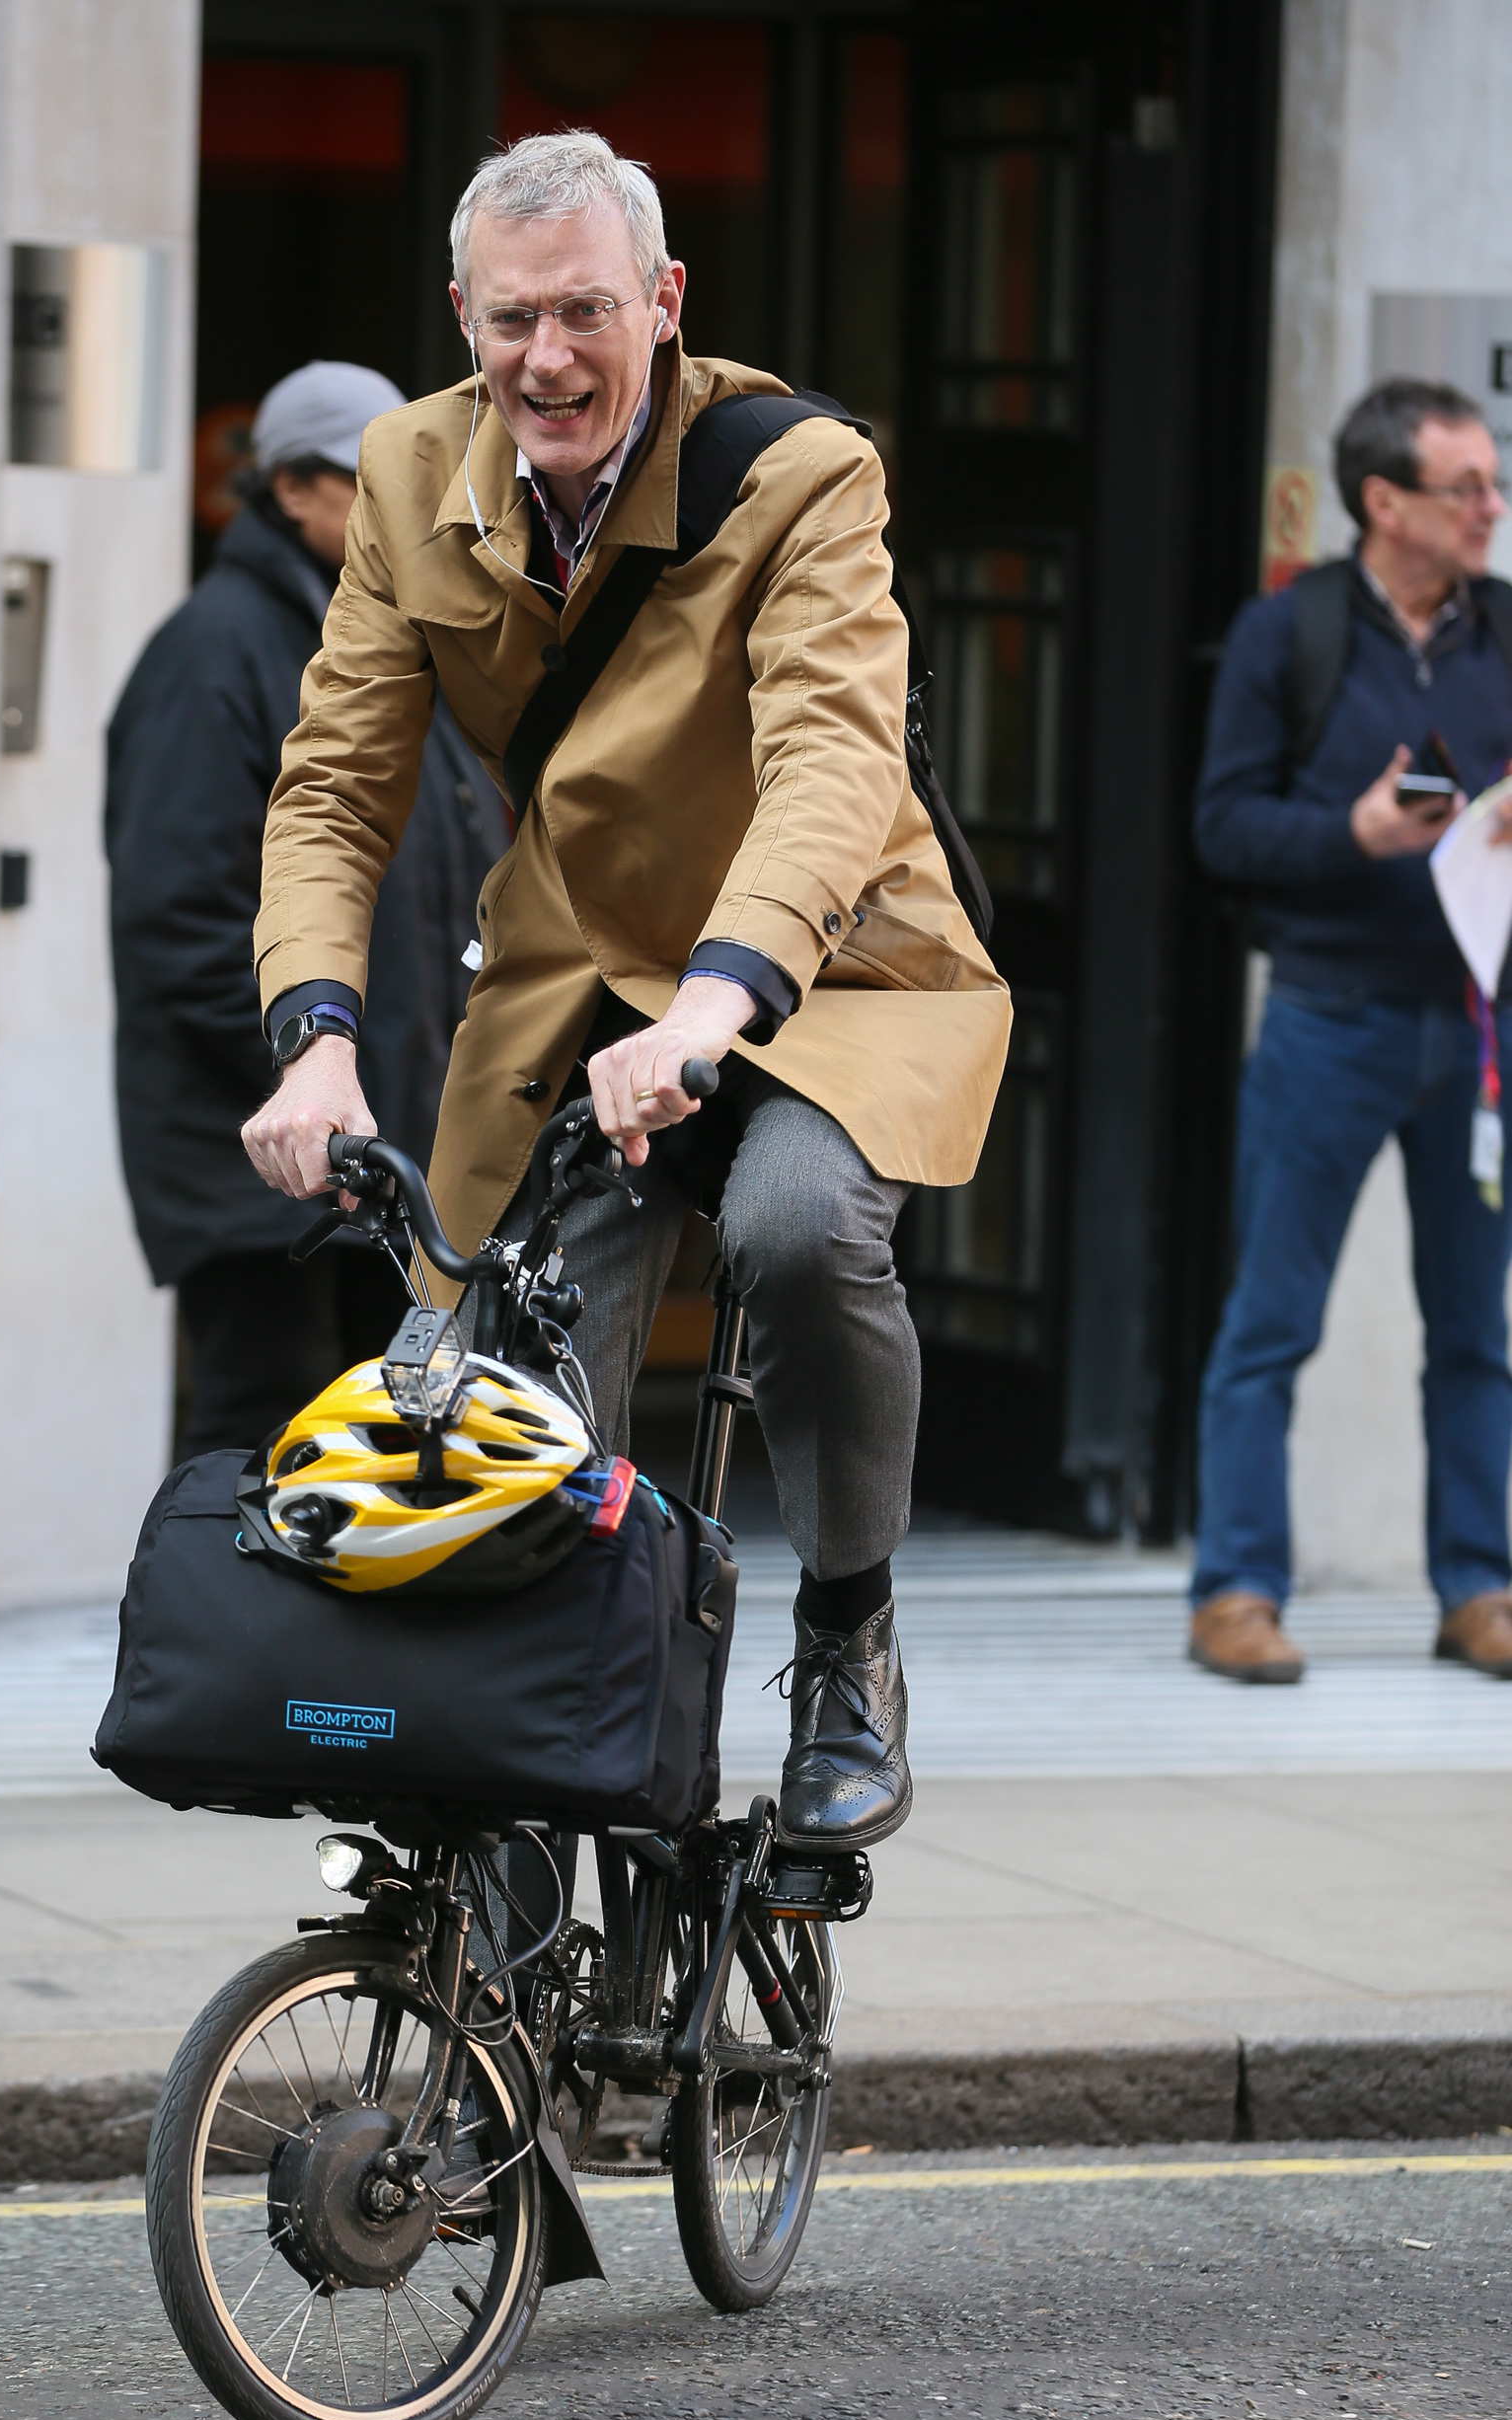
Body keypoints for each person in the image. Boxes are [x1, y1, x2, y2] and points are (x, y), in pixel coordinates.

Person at [241, 131, 1009, 1849]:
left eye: (587, 310)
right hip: (582, 979)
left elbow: (828, 766)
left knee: (800, 1229)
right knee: (473, 1370)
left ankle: (847, 1645)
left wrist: (715, 1006)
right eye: (511, 320)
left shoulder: (801, 474)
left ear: (662, 304)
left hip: (831, 971)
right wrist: (316, 1037)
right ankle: (515, 1770)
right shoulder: (403, 470)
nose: (548, 359)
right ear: (463, 314)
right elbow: (336, 789)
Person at [107, 361, 510, 1460]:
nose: (409, 510)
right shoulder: (213, 655)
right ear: (292, 488)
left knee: (379, 1463)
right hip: (267, 1163)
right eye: (371, 485)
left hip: (381, 1156)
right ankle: (208, 1643)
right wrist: (313, 1082)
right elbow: (180, 924)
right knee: (263, 1449)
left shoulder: (384, 636)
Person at [1190, 376, 1512, 1682]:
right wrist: (1355, 835)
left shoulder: (1505, 630)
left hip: (1479, 1030)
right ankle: (1237, 1591)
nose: (1491, 508)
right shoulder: (1292, 633)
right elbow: (1221, 828)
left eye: (1493, 484)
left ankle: (1479, 1588)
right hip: (1330, 1020)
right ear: (1386, 503)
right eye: (1467, 487)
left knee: (1477, 1329)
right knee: (1274, 1318)